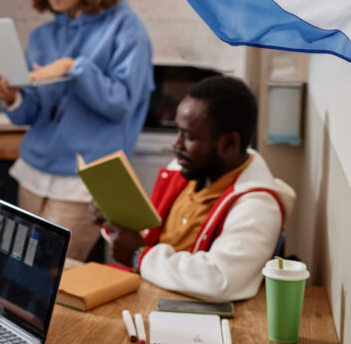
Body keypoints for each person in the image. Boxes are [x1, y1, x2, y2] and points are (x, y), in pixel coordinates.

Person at [0, 0, 154, 260]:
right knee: (17, 267)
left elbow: (121, 104)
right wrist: (12, 95)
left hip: (83, 180)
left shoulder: (127, 29)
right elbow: (29, 112)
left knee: (51, 273)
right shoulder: (43, 36)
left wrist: (74, 67)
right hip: (33, 172)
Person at [100, 75, 296, 302]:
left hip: (194, 320)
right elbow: (148, 237)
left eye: (189, 136)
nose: (176, 144)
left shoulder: (258, 207)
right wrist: (112, 218)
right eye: (177, 131)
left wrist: (139, 257)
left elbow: (219, 280)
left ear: (230, 143)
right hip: (151, 296)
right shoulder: (187, 170)